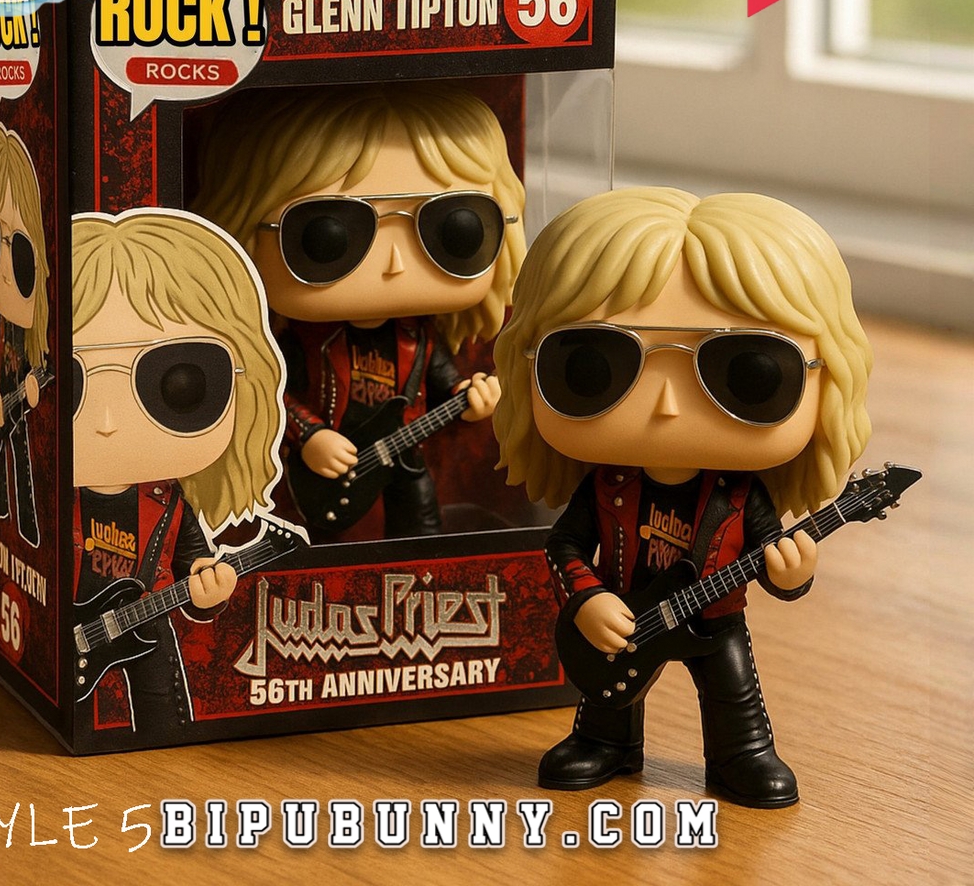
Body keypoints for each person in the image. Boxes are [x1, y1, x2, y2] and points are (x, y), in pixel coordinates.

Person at [493, 188, 872, 807]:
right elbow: (564, 544)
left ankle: (740, 754)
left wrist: (792, 574)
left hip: (713, 619)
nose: (668, 405)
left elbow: (771, 551)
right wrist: (587, 599)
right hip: (625, 610)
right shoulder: (609, 485)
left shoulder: (738, 495)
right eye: (594, 364)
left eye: (748, 371)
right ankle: (605, 741)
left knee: (733, 694)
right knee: (610, 692)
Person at [195, 83, 526, 539]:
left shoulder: (417, 335)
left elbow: (443, 379)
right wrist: (310, 435)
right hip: (328, 465)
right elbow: (270, 388)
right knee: (325, 543)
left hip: (403, 454)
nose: (395, 264)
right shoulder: (306, 339)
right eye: (327, 234)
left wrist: (469, 400)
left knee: (423, 527)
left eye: (456, 227)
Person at [72, 208, 285, 738]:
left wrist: (211, 593)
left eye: (177, 382)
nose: (106, 421)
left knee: (162, 707)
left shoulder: (167, 500)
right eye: (75, 380)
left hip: (144, 623)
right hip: (67, 628)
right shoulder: (53, 498)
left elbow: (194, 565)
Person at [0, 123, 50, 547]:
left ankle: (29, 524)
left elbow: (52, 371)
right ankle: (1, 503)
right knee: (8, 449)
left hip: (22, 397)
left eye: (19, 250)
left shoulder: (41, 332)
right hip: (3, 392)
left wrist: (33, 386)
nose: (1, 269)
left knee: (25, 454)